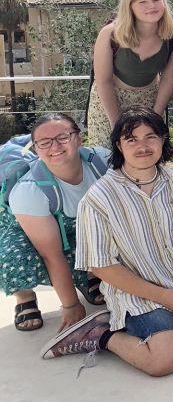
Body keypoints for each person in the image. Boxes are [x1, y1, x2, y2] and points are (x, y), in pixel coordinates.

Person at [43, 107, 173, 375]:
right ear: (119, 145)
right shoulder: (99, 198)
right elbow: (101, 267)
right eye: (131, 139)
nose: (142, 146)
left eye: (150, 137)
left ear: (163, 140)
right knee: (167, 359)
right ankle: (101, 334)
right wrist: (162, 296)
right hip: (138, 292)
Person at [0, 114, 108, 332]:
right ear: (36, 149)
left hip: (77, 227)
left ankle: (91, 276)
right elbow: (52, 254)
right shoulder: (29, 190)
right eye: (45, 142)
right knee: (15, 257)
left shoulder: (103, 163)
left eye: (63, 137)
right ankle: (25, 296)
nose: (55, 146)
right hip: (25, 231)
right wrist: (71, 305)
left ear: (79, 138)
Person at [87, 0, 173, 147]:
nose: (151, 6)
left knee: (146, 157)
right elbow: (103, 81)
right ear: (129, 6)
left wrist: (155, 118)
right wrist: (117, 126)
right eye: (142, 2)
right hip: (110, 102)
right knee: (108, 158)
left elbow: (168, 79)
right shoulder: (110, 34)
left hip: (150, 100)